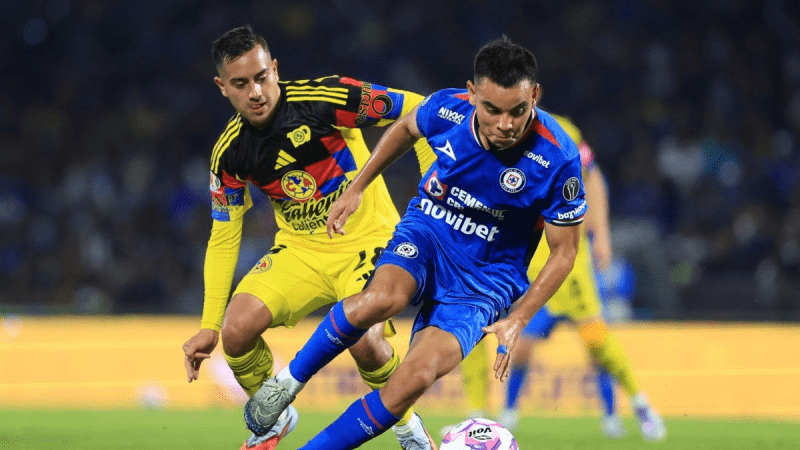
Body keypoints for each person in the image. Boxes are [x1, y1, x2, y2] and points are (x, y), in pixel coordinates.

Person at [243, 35, 587, 450]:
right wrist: (358, 186)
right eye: (492, 110)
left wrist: (519, 318)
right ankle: (287, 383)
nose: (505, 124)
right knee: (380, 300)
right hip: (430, 231)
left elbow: (565, 252)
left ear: (534, 96)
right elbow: (406, 127)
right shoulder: (447, 108)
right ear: (472, 93)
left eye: (517, 110)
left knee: (413, 381)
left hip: (486, 280)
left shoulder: (558, 158)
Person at [180, 25, 438, 450]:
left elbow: (421, 109)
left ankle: (409, 428)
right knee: (236, 330)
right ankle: (276, 418)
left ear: (275, 68)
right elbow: (224, 236)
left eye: (261, 77)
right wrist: (208, 325)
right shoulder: (230, 152)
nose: (255, 92)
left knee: (367, 342)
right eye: (240, 84)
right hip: (301, 250)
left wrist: (431, 196)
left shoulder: (327, 98)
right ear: (222, 87)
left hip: (367, 238)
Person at [442, 114, 667, 442]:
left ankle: (639, 403)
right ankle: (486, 414)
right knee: (492, 329)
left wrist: (602, 233)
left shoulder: (562, 130)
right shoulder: (488, 127)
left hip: (568, 253)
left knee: (595, 339)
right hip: (525, 255)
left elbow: (592, 177)